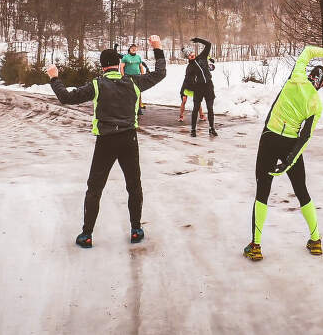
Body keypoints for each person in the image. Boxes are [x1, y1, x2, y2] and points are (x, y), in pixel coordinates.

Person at [46, 35, 167, 249]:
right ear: (118, 65)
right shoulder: (133, 82)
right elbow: (160, 73)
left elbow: (66, 97)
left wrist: (54, 78)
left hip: (106, 142)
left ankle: (87, 235)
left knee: (95, 188)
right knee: (134, 185)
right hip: (129, 139)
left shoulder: (96, 85)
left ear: (102, 67)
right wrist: (157, 48)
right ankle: (136, 230)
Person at [244, 46, 323, 262]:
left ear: (310, 74)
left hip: (270, 137)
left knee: (263, 191)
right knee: (301, 191)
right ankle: (315, 240)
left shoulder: (296, 76)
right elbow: (305, 136)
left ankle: (256, 246)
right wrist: (290, 161)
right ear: (322, 85)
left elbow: (307, 51)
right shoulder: (316, 104)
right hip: (290, 144)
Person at [184, 37, 218, 137]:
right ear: (187, 57)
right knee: (195, 109)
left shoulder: (202, 56)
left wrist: (198, 40)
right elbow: (187, 81)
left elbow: (208, 44)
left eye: (191, 53)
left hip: (208, 86)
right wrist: (193, 88)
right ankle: (193, 129)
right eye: (189, 55)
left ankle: (212, 128)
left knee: (210, 109)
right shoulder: (189, 67)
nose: (191, 55)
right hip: (198, 88)